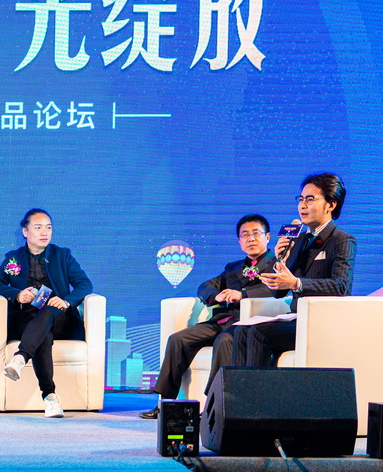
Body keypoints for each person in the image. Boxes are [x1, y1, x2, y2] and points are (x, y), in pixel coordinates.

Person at [139, 214, 275, 419]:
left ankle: (213, 405)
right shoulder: (233, 268)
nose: (251, 239)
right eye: (245, 235)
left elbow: (276, 291)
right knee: (178, 339)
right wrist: (215, 296)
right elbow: (205, 286)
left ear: (268, 237)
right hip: (221, 320)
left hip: (248, 324)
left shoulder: (278, 265)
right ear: (239, 241)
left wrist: (243, 295)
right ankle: (166, 403)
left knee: (224, 341)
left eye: (256, 233)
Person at [231, 173, 356, 367]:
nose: (302, 205)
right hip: (297, 317)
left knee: (258, 333)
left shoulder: (342, 239)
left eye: (310, 199)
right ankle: (235, 387)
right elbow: (278, 293)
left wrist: (296, 283)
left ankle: (256, 388)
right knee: (241, 331)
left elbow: (340, 286)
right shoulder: (299, 240)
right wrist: (280, 262)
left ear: (331, 204)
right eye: (301, 199)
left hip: (323, 321)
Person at [0, 208, 93, 418]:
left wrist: (65, 301)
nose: (45, 232)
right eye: (38, 227)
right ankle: (50, 398)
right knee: (43, 334)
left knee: (48, 310)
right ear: (25, 231)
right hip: (26, 320)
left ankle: (20, 357)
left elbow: (84, 284)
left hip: (59, 318)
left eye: (48, 228)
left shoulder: (62, 255)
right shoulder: (14, 258)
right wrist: (17, 295)